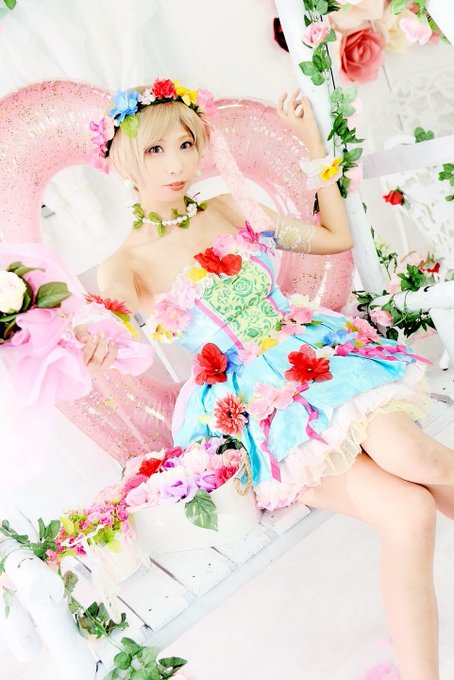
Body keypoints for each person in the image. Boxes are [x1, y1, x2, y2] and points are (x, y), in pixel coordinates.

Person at [80, 78, 453, 680]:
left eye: (186, 144)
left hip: (320, 364)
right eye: (155, 150)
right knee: (409, 511)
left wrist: (312, 144)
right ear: (123, 160)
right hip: (257, 412)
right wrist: (94, 338)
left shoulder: (227, 209)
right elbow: (113, 323)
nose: (176, 164)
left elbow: (334, 238)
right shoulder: (122, 265)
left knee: (417, 456)